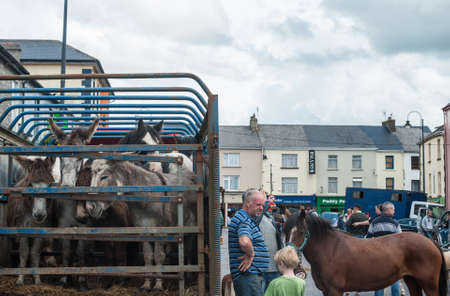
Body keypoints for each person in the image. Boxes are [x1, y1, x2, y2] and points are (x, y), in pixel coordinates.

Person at [228, 188, 270, 296]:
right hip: (248, 277)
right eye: (258, 205)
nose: (261, 208)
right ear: (247, 203)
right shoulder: (244, 220)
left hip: (250, 277)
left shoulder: (245, 218)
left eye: (263, 205)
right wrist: (251, 254)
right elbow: (244, 241)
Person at [366, 202, 402, 296]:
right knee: (395, 279)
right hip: (393, 257)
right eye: (393, 209)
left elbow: (368, 239)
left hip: (378, 256)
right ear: (389, 210)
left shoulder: (374, 222)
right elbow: (400, 241)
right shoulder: (395, 223)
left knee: (379, 281)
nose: (394, 211)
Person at [257, 193, 284, 291]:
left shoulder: (270, 218)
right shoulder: (255, 217)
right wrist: (268, 203)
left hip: (274, 267)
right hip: (262, 269)